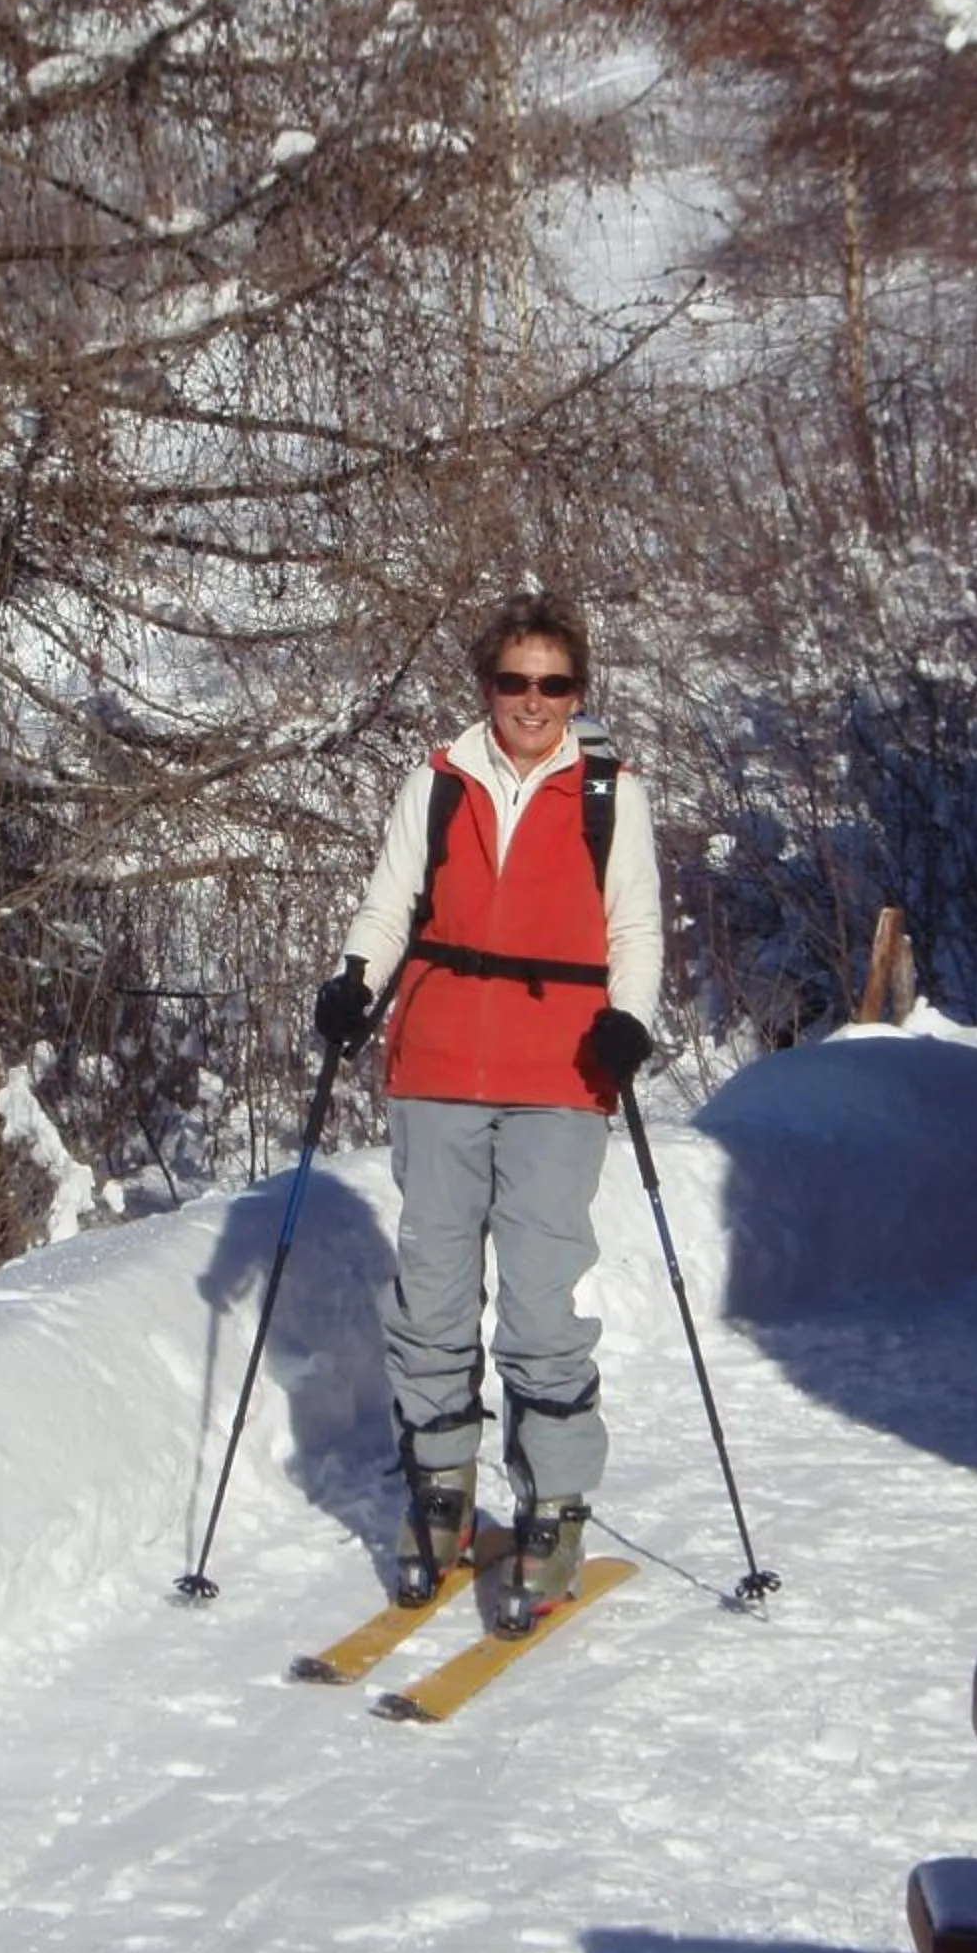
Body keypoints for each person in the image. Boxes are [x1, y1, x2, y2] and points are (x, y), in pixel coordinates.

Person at [314, 590, 664, 1632]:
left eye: (554, 684)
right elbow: (389, 901)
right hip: (437, 1066)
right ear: (486, 687)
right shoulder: (438, 781)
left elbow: (634, 925)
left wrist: (628, 1023)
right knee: (429, 1294)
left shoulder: (609, 792)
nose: (532, 702)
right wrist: (353, 980)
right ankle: (439, 1489)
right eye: (514, 681)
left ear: (578, 693)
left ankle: (552, 1504)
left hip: (563, 1074)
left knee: (543, 1304)